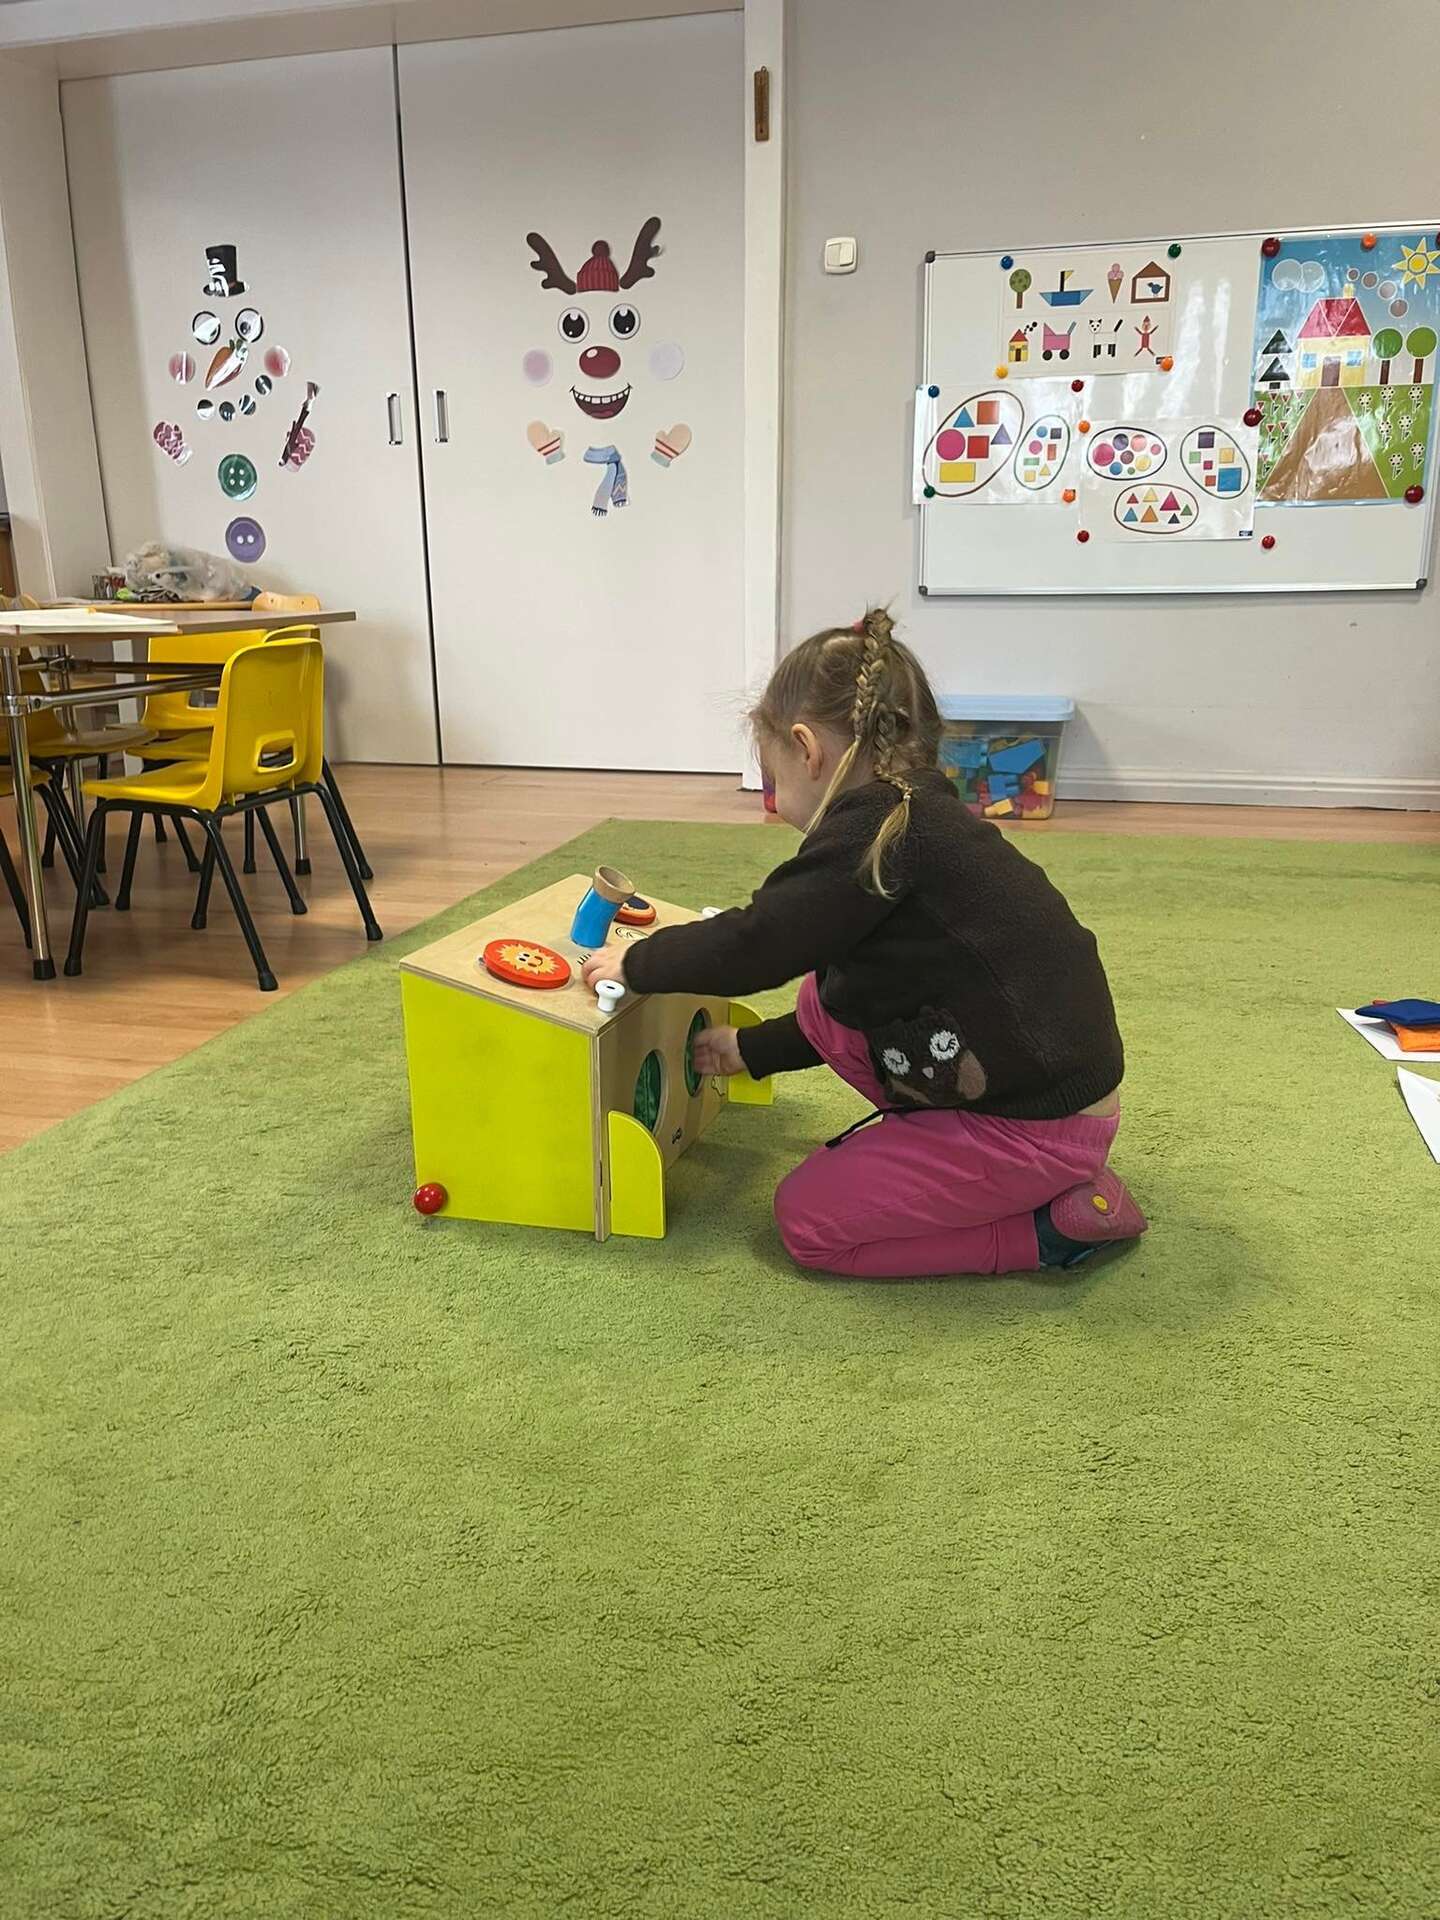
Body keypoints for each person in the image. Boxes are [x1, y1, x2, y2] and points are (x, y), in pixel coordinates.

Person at [581, 609, 1146, 1278]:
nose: (774, 802)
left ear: (807, 750)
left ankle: (1048, 1232)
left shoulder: (875, 835)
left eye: (773, 780)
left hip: (1032, 1127)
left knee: (809, 1223)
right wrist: (753, 1050)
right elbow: (859, 994)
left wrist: (638, 962)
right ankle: (1007, 1168)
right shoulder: (914, 815)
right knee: (824, 989)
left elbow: (759, 942)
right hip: (1042, 1090)